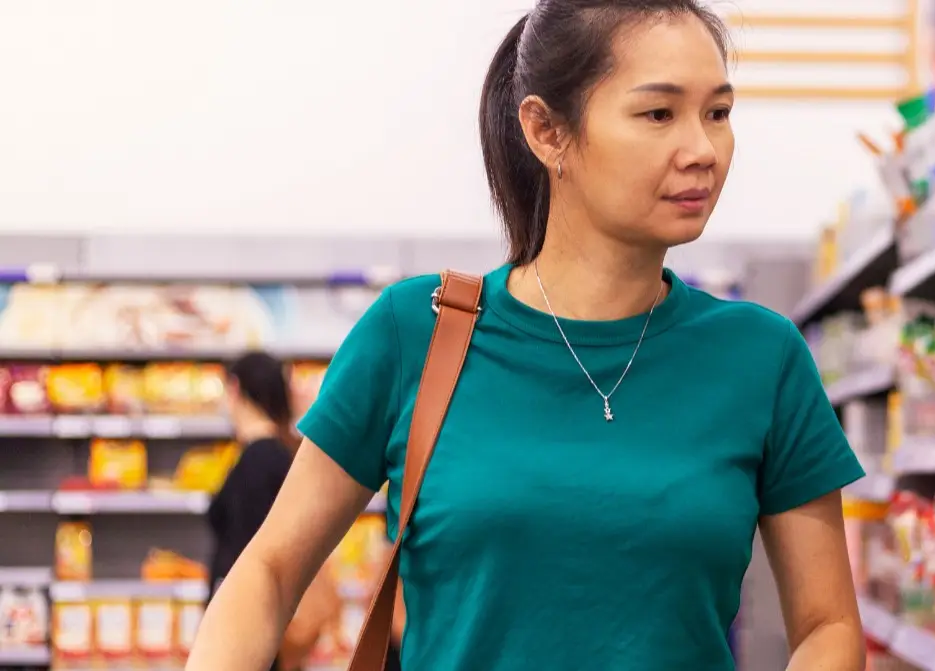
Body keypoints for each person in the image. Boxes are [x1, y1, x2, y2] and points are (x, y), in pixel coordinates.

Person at [187, 1, 866, 669]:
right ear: (546, 131)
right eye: (658, 113)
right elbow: (269, 572)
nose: (702, 149)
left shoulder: (762, 356)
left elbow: (829, 624)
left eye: (717, 112)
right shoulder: (413, 333)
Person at [208, 352, 402, 671]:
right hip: (270, 633)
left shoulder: (256, 462)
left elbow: (255, 559)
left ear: (234, 389)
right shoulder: (283, 455)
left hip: (252, 636)